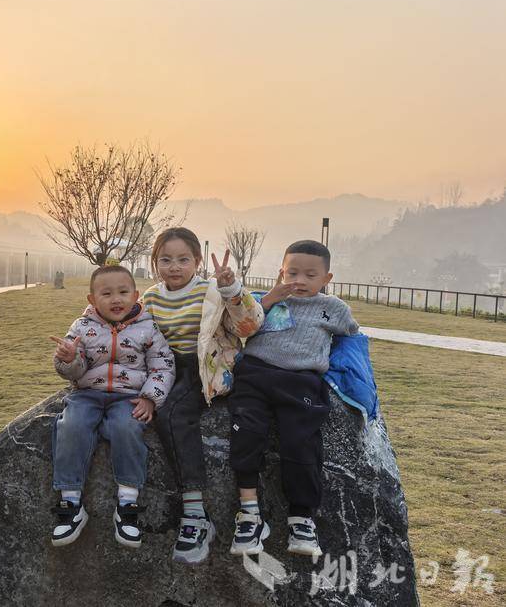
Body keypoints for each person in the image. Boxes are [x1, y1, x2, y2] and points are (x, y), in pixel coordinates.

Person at [228, 239, 359, 557]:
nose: (300, 281)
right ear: (281, 272)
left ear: (326, 278)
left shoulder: (334, 308)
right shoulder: (265, 300)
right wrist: (268, 300)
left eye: (310, 275)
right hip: (255, 375)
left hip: (301, 380)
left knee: (301, 441)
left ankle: (301, 518)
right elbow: (241, 326)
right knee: (246, 433)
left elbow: (353, 335)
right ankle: (249, 513)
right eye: (292, 273)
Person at [143, 227, 264, 564]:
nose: (174, 267)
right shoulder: (151, 298)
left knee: (172, 413)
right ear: (155, 262)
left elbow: (250, 326)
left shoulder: (211, 291)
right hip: (165, 367)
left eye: (183, 259)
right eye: (165, 260)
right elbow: (134, 330)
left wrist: (231, 290)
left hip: (204, 367)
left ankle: (195, 514)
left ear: (197, 261)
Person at [50, 264, 175, 548]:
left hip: (128, 396)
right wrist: (69, 359)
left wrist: (150, 398)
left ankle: (128, 504)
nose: (116, 299)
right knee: (72, 426)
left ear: (136, 295)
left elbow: (163, 366)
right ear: (92, 299)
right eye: (106, 294)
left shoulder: (148, 328)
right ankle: (70, 503)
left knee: (127, 427)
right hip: (87, 394)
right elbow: (73, 369)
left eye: (123, 292)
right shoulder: (82, 327)